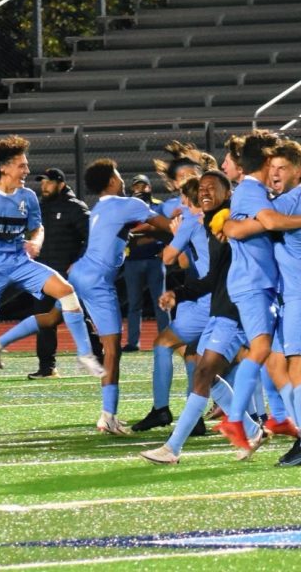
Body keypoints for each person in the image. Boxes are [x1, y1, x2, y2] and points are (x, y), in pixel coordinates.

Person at [0, 135, 104, 428]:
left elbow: (37, 228)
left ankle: (84, 355)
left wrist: (36, 241)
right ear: (4, 168)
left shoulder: (27, 198)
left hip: (20, 263)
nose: (27, 171)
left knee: (66, 292)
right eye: (22, 165)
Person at [223, 140, 301, 466]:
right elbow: (263, 222)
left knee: (296, 367)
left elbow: (265, 222)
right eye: (272, 168)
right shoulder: (287, 198)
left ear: (300, 171)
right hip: (291, 291)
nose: (275, 174)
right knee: (282, 362)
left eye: (282, 168)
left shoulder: (292, 198)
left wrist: (228, 225)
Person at [140, 171, 259, 464]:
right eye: (201, 188)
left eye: (212, 188)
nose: (204, 192)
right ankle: (253, 428)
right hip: (219, 309)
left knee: (204, 373)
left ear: (227, 193)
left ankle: (173, 447)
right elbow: (213, 277)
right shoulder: (213, 226)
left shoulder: (230, 223)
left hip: (234, 311)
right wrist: (178, 293)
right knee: (202, 367)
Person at [68, 158, 173, 435]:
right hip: (99, 282)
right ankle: (108, 415)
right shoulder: (132, 204)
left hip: (80, 274)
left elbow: (130, 229)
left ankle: (0, 341)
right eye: (118, 174)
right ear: (113, 180)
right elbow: (165, 225)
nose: (122, 178)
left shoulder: (100, 208)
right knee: (113, 349)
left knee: (50, 318)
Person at [0, 167, 102, 379]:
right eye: (42, 182)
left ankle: (97, 358)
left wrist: (79, 262)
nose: (44, 186)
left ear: (61, 184)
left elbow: (93, 237)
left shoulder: (74, 208)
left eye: (48, 182)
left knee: (73, 316)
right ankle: (47, 366)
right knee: (46, 319)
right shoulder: (39, 207)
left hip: (69, 276)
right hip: (43, 274)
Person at [132, 176, 209, 433]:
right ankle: (195, 417)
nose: (182, 206)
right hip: (208, 294)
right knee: (192, 354)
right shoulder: (217, 218)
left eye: (184, 200)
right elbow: (189, 263)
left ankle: (161, 409)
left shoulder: (189, 221)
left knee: (163, 344)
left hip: (203, 297)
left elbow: (168, 259)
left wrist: (177, 235)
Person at [122, 173, 170, 352]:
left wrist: (143, 234)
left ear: (150, 187)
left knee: (161, 302)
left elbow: (163, 227)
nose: (141, 189)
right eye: (137, 186)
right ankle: (133, 342)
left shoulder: (158, 205)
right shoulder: (127, 206)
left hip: (154, 259)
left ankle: (166, 339)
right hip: (133, 260)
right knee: (134, 303)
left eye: (144, 186)